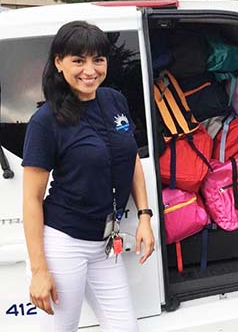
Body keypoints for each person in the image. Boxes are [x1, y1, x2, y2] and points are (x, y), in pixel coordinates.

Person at [22, 20, 155, 331]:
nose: (90, 70)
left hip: (105, 244)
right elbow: (31, 199)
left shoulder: (114, 100)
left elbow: (130, 157)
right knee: (62, 328)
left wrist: (145, 215)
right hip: (64, 242)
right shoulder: (46, 120)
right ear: (59, 62)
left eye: (98, 59)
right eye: (78, 60)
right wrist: (40, 269)